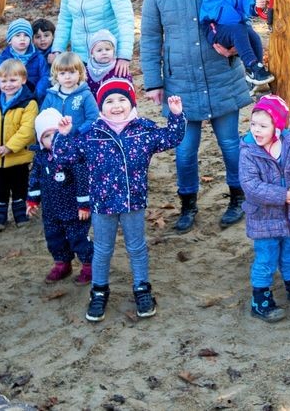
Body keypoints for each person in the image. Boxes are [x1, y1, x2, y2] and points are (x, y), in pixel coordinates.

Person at [140, 0, 252, 233]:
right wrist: (154, 81)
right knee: (185, 149)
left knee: (230, 144)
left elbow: (239, 13)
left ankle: (237, 197)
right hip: (181, 80)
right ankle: (188, 204)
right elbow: (150, 35)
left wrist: (236, 48)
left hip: (221, 73)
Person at [53, 79, 185, 323]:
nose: (116, 105)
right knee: (103, 249)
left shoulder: (143, 130)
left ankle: (142, 289)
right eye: (110, 101)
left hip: (133, 201)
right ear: (101, 107)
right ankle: (99, 291)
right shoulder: (92, 133)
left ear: (132, 103)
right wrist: (62, 135)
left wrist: (176, 116)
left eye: (122, 99)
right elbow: (65, 155)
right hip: (102, 205)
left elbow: (171, 138)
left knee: (136, 247)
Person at [240, 95, 290, 322]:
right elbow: (252, 187)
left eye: (263, 126)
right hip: (264, 219)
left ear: (278, 126)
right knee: (266, 258)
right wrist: (284, 195)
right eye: (253, 125)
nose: (257, 131)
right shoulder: (248, 152)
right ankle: (260, 299)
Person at [27, 108, 93, 286]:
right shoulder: (41, 157)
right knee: (54, 239)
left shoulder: (72, 155)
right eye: (47, 136)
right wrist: (32, 200)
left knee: (78, 238)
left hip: (73, 210)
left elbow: (82, 179)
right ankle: (62, 263)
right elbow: (35, 178)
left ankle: (88, 265)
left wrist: (84, 205)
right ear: (40, 140)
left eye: (56, 134)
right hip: (51, 210)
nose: (53, 140)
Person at [0, 59, 39, 231]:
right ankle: (0, 215)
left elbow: (27, 129)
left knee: (20, 185)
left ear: (23, 80)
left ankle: (20, 212)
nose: (8, 85)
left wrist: (10, 147)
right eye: (4, 81)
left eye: (13, 80)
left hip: (18, 156)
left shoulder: (29, 103)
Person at [40, 52, 98, 133]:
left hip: (79, 140)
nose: (67, 77)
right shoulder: (51, 95)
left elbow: (93, 118)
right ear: (56, 76)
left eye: (72, 72)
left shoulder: (85, 95)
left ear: (80, 73)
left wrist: (79, 132)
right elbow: (43, 118)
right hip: (56, 140)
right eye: (62, 73)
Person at [0, 19, 49, 99]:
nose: (22, 38)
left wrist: (37, 94)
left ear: (30, 39)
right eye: (17, 35)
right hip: (10, 97)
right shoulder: (3, 59)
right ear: (10, 40)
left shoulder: (38, 57)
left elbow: (45, 77)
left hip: (34, 97)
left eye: (26, 35)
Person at [85, 30, 129, 100]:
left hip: (113, 106)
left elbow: (129, 89)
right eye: (99, 50)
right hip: (91, 107)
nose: (104, 52)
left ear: (114, 51)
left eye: (107, 49)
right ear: (92, 53)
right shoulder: (86, 70)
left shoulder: (119, 68)